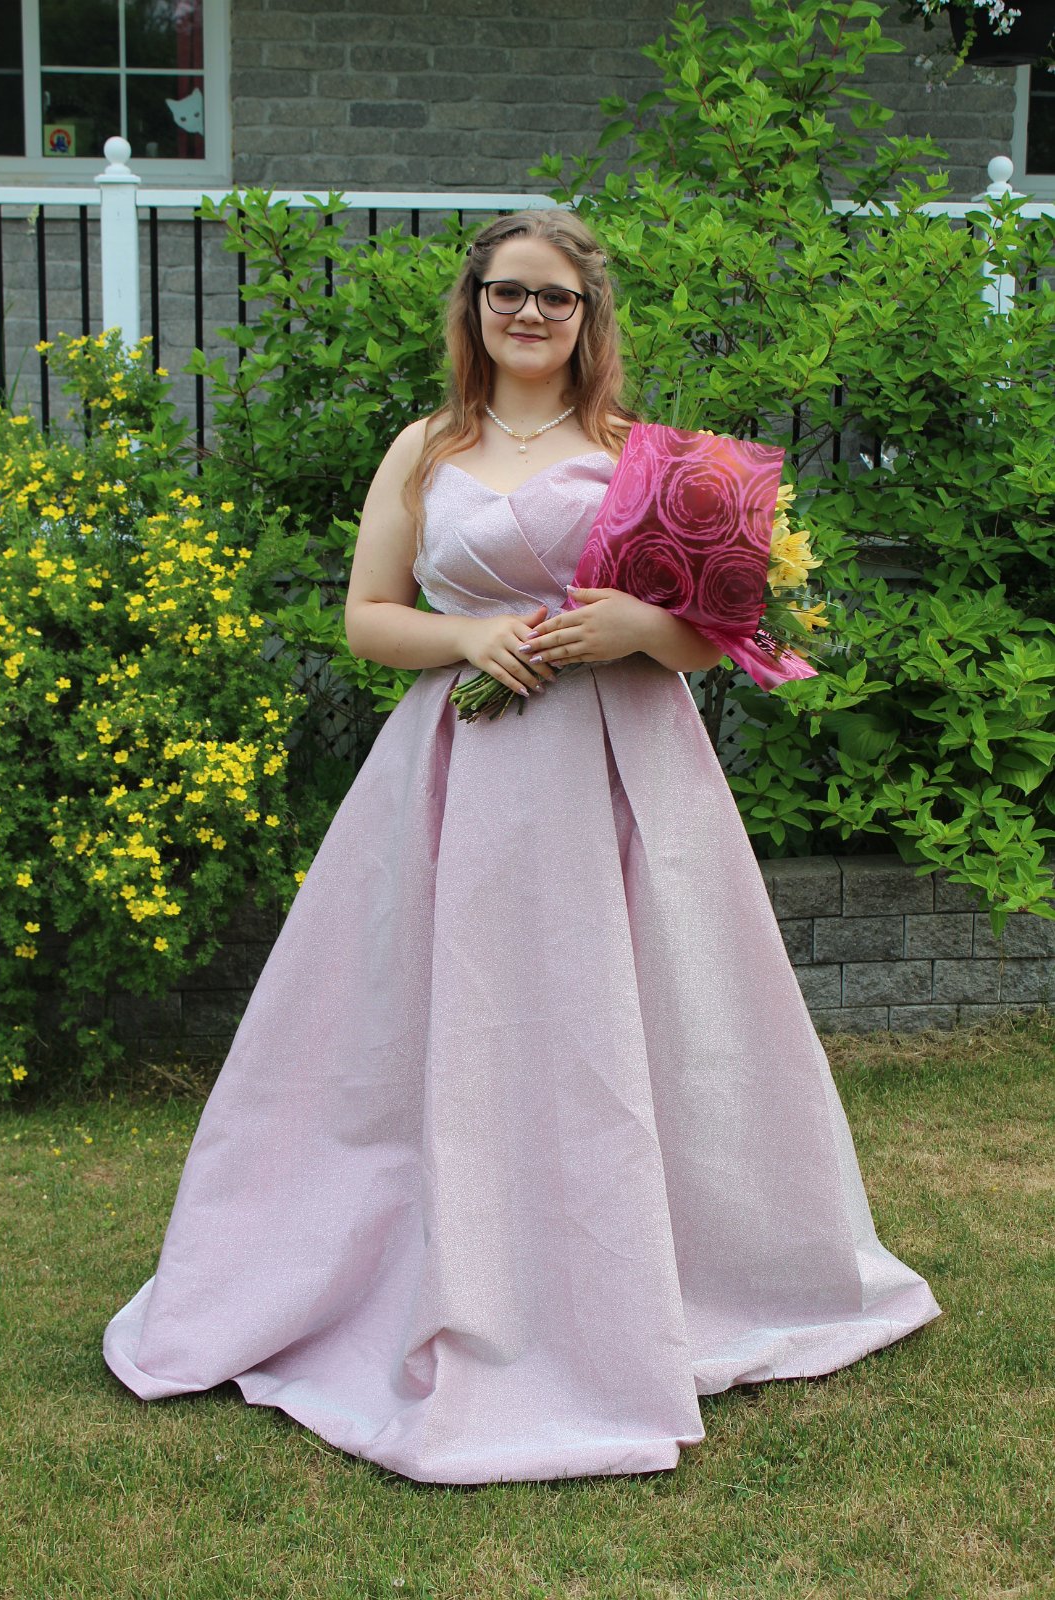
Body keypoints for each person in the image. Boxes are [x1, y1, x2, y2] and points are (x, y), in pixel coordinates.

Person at [103, 210, 940, 1486]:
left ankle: (663, 1271)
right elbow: (368, 619)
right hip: (459, 775)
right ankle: (442, 1262)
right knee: (445, 1017)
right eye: (508, 292)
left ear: (588, 315)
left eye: (554, 297)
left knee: (642, 1016)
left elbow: (719, 633)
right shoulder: (426, 448)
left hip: (622, 773)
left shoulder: (652, 461)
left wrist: (637, 626)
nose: (530, 315)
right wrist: (467, 638)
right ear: (475, 304)